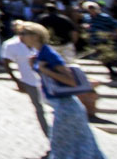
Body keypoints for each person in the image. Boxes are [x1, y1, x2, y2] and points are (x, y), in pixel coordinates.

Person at [20, 22, 107, 159]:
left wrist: (44, 70)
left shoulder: (48, 54)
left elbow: (70, 80)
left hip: (66, 106)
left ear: (35, 35)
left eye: (23, 34)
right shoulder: (40, 53)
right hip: (61, 105)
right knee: (80, 146)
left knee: (65, 148)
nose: (20, 37)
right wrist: (35, 66)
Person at [2, 20, 50, 138]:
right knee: (39, 109)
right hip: (29, 81)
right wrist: (17, 80)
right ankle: (49, 137)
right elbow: (6, 63)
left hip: (47, 81)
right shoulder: (11, 45)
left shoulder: (40, 45)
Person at [82, 1, 117, 82]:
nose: (92, 10)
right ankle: (112, 72)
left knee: (113, 57)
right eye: (89, 9)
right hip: (95, 40)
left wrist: (115, 34)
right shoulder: (87, 17)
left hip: (106, 39)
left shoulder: (104, 17)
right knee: (102, 58)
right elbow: (86, 26)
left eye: (93, 8)